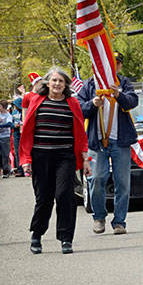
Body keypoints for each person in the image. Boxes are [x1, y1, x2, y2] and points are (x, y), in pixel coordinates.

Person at [19, 68, 89, 254]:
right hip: (41, 156)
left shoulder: (72, 103)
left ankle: (66, 238)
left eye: (61, 81)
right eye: (54, 80)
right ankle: (37, 234)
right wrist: (26, 160)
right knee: (44, 198)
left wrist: (85, 159)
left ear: (65, 85)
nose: (57, 84)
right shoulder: (36, 101)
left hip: (65, 157)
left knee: (65, 195)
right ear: (47, 83)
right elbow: (27, 132)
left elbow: (81, 134)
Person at [77, 53, 138, 234]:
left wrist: (118, 95)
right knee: (96, 178)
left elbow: (133, 101)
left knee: (123, 183)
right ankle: (99, 216)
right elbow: (79, 109)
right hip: (97, 142)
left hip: (120, 141)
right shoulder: (89, 85)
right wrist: (92, 103)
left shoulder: (124, 83)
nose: (113, 67)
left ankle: (119, 221)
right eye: (109, 64)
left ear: (119, 67)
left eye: (117, 64)